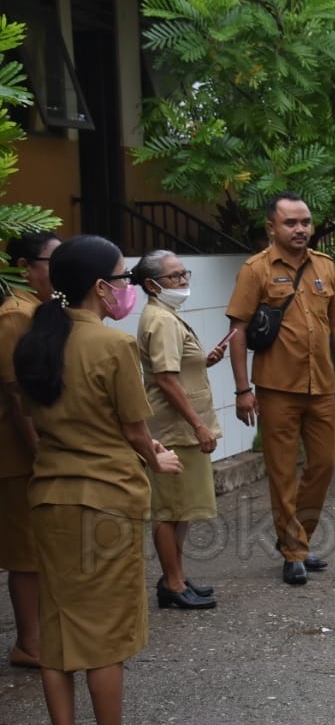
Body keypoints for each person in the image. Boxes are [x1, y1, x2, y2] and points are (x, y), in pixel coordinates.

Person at [14, 234, 181, 725]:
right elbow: (135, 428)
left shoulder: (36, 342)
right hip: (103, 502)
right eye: (122, 278)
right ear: (99, 287)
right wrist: (159, 459)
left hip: (50, 498)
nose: (127, 288)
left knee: (59, 630)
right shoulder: (109, 347)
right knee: (107, 631)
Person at [226, 192, 335, 586]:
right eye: (290, 223)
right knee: (282, 472)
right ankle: (293, 551)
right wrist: (241, 390)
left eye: (305, 222)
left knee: (323, 465)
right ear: (272, 227)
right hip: (275, 388)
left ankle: (298, 537)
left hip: (321, 385)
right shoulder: (256, 270)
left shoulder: (325, 267)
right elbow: (237, 331)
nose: (300, 229)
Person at [135, 250, 227, 610]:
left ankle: (177, 576)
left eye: (184, 272)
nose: (183, 280)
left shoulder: (167, 316)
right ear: (152, 284)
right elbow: (166, 380)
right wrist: (199, 425)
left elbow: (176, 368)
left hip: (181, 427)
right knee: (169, 509)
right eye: (174, 276)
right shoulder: (160, 320)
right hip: (174, 429)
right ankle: (172, 584)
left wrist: (204, 360)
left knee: (183, 507)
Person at [0, 230, 60, 668]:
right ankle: (28, 643)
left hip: (39, 446)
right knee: (25, 552)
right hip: (18, 452)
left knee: (39, 548)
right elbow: (16, 394)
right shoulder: (15, 317)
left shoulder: (42, 310)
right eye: (51, 261)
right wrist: (41, 453)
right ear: (25, 266)